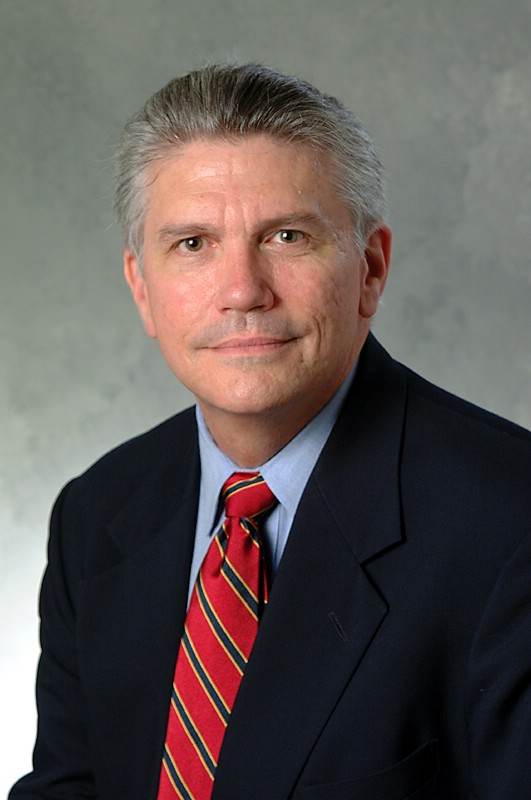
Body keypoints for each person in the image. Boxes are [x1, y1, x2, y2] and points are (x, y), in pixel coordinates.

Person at [9, 63, 530, 800]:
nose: (242, 291)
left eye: (285, 236)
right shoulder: (96, 515)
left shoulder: (508, 522)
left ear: (371, 269)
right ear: (141, 288)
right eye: (192, 244)